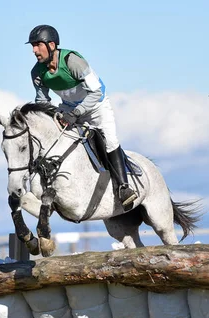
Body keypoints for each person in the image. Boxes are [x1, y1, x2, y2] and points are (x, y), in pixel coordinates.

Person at [26, 24, 138, 210]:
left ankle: (123, 188)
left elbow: (97, 92)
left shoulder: (72, 61)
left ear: (51, 45)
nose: (34, 50)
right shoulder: (37, 73)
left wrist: (75, 113)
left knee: (109, 140)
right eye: (32, 46)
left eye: (37, 45)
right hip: (68, 110)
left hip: (96, 106)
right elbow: (43, 102)